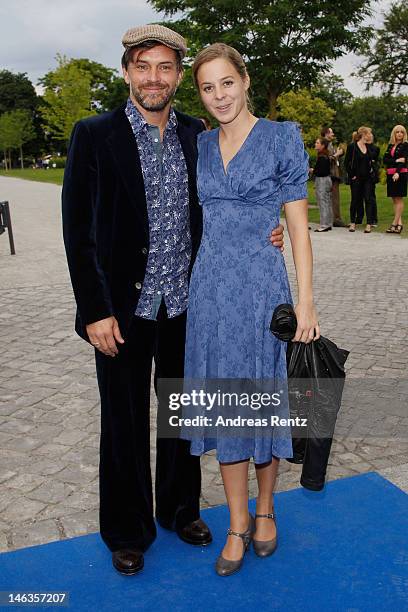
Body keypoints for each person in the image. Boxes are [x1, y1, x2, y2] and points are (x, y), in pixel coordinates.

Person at [61, 25, 285, 576]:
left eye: (165, 68)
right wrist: (94, 309)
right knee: (124, 422)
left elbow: (222, 204)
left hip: (190, 304)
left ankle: (182, 511)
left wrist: (267, 228)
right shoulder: (94, 134)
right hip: (121, 310)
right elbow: (78, 231)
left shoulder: (197, 133)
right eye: (143, 66)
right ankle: (128, 530)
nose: (153, 77)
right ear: (126, 72)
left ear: (180, 76)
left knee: (185, 414)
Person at [183, 43, 320, 577]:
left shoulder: (282, 137)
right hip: (210, 292)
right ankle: (237, 522)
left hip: (264, 291)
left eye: (226, 83)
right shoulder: (198, 144)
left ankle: (266, 511)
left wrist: (305, 301)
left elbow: (300, 230)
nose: (219, 95)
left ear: (245, 80)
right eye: (207, 87)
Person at [344, 126, 376, 234]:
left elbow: (372, 160)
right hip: (356, 178)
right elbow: (346, 163)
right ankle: (353, 222)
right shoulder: (352, 147)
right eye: (368, 134)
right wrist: (352, 175)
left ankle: (369, 224)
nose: (370, 136)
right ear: (363, 134)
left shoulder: (369, 147)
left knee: (368, 199)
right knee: (355, 200)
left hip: (367, 178)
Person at [383, 125, 408, 234]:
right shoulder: (390, 145)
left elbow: (404, 161)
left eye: (401, 132)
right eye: (397, 132)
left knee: (399, 198)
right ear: (394, 133)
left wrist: (397, 172)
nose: (399, 134)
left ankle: (394, 224)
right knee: (394, 199)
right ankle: (400, 224)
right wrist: (396, 160)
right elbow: (385, 159)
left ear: (404, 134)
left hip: (400, 174)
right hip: (390, 174)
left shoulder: (406, 145)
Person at [320, 126, 346, 227]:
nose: (333, 134)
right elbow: (326, 159)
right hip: (330, 175)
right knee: (332, 198)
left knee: (333, 197)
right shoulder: (324, 145)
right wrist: (337, 154)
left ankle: (333, 218)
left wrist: (340, 153)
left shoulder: (330, 144)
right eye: (331, 132)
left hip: (334, 174)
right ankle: (335, 219)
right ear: (326, 134)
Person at [311, 137, 333, 232]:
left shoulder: (322, 157)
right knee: (327, 201)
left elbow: (321, 171)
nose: (315, 144)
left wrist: (313, 170)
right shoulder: (325, 155)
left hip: (322, 180)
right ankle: (328, 223)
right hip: (327, 179)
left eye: (317, 143)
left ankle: (324, 224)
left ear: (322, 145)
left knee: (323, 202)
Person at [366, 131, 380, 226]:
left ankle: (373, 219)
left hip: (371, 176)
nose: (369, 138)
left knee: (371, 197)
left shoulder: (375, 148)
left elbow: (372, 156)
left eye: (371, 136)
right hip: (361, 175)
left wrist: (367, 147)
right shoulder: (360, 147)